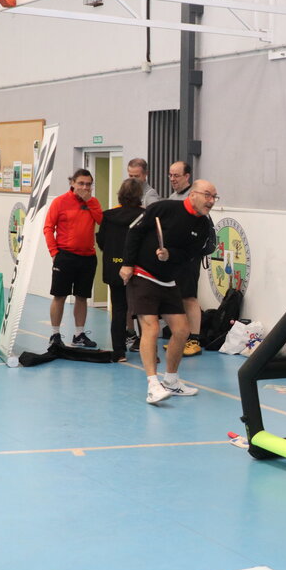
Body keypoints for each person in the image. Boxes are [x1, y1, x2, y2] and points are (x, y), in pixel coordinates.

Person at [120, 179, 217, 404]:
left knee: (182, 330)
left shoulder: (203, 226)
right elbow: (134, 231)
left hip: (168, 280)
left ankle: (171, 381)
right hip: (143, 274)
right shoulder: (163, 208)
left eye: (214, 197)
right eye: (207, 195)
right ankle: (153, 385)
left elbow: (190, 255)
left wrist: (170, 255)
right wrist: (127, 264)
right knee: (151, 328)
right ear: (193, 194)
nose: (211, 201)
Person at [43, 168, 103, 348]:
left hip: (88, 257)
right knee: (59, 296)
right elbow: (48, 228)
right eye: (81, 183)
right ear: (72, 183)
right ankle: (55, 334)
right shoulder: (60, 202)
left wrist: (89, 202)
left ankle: (79, 334)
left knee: (82, 297)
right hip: (65, 256)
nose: (85, 187)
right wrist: (54, 253)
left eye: (88, 184)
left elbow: (101, 221)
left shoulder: (93, 202)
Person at [96, 178, 145, 362]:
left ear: (120, 195)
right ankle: (149, 351)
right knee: (144, 311)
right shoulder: (144, 216)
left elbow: (102, 242)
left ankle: (119, 352)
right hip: (139, 269)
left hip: (114, 267)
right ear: (139, 196)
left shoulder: (108, 216)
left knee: (118, 309)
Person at [164, 160, 204, 357]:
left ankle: (194, 340)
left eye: (176, 175)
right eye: (170, 175)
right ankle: (181, 338)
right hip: (175, 257)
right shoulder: (173, 197)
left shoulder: (194, 197)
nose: (172, 179)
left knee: (189, 297)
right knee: (177, 297)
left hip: (189, 257)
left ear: (187, 176)